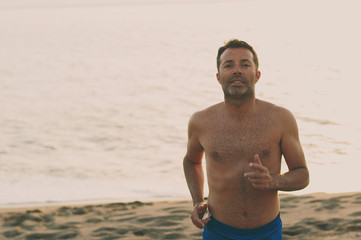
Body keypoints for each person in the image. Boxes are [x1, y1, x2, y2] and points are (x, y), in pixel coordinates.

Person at [183, 39, 309, 239]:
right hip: (218, 230)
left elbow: (302, 175)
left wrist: (273, 181)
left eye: (245, 64)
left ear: (257, 75)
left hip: (267, 231)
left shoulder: (280, 118)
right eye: (228, 65)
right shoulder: (201, 122)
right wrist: (198, 202)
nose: (237, 71)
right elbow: (191, 161)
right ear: (218, 76)